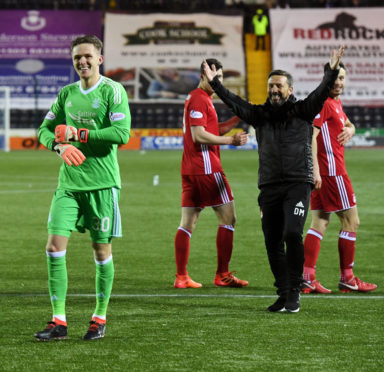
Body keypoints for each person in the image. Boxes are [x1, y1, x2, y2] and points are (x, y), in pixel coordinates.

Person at [203, 46, 344, 312]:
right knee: (271, 241)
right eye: (271, 86)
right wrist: (216, 84)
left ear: (290, 90)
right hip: (268, 186)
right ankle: (284, 292)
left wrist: (332, 70)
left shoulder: (303, 110)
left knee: (292, 232)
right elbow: (235, 102)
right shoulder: (260, 115)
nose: (274, 90)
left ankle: (295, 289)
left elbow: (322, 91)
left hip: (297, 183)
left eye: (279, 86)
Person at [34, 35, 131, 341]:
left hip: (102, 184)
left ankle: (99, 317)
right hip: (69, 184)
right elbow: (44, 129)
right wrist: (59, 147)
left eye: (87, 56)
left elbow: (122, 133)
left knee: (101, 250)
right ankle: (58, 321)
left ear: (99, 59)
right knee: (53, 247)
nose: (82, 62)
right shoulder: (66, 94)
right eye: (77, 57)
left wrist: (79, 133)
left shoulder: (113, 91)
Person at [302, 62, 377, 294]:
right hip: (331, 172)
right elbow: (311, 137)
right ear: (326, 78)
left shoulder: (334, 102)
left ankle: (307, 276)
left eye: (342, 78)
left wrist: (352, 130)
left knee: (320, 223)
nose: (338, 83)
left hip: (326, 173)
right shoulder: (323, 102)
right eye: (334, 78)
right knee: (351, 222)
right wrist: (314, 170)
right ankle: (348, 277)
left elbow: (347, 123)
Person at [174, 58, 249, 289]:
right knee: (229, 218)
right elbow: (199, 135)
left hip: (190, 169)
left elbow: (212, 130)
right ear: (202, 75)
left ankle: (181, 277)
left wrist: (240, 118)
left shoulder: (201, 98)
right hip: (206, 168)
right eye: (214, 76)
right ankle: (223, 274)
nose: (218, 81)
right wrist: (231, 140)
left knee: (188, 222)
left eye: (222, 78)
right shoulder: (199, 98)